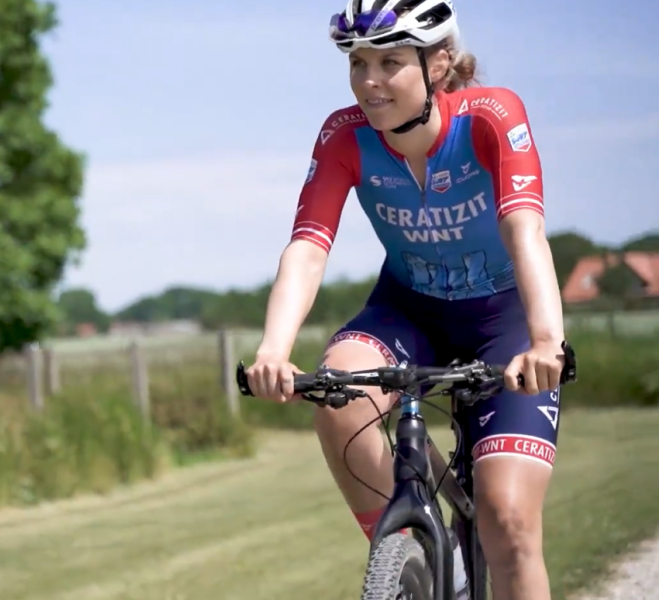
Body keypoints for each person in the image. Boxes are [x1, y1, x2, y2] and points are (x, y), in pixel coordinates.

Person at [243, 1, 568, 599]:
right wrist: (274, 349)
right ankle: (406, 552)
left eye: (389, 62)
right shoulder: (345, 135)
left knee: (510, 525)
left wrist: (547, 340)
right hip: (408, 310)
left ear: (439, 63)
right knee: (337, 393)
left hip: (504, 323)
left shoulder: (491, 117)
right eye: (358, 63)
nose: (369, 81)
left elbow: (525, 230)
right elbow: (309, 248)